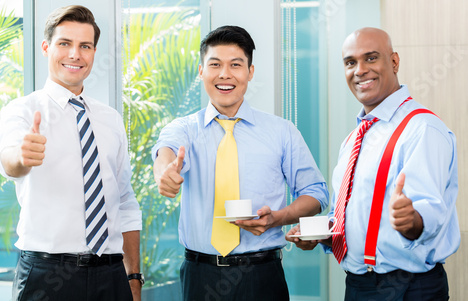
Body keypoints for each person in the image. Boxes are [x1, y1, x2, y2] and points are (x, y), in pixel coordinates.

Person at [152, 25, 329, 300]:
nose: (225, 74)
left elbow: (316, 193)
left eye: (236, 65)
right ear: (201, 71)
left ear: (250, 72)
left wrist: (276, 219)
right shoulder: (184, 128)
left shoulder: (282, 131)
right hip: (200, 276)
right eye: (215, 64)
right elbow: (166, 152)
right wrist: (165, 173)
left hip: (261, 275)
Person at [286, 27, 460, 300]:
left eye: (371, 58)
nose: (360, 70)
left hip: (408, 288)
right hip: (358, 287)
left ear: (394, 62)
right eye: (350, 62)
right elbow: (361, 213)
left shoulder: (422, 128)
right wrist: (325, 233)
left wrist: (411, 220)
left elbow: (430, 215)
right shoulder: (354, 138)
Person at [0, 5, 143, 301]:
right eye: (65, 43)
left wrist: (133, 277)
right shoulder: (23, 110)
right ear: (46, 47)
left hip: (111, 275)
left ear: (93, 53)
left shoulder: (110, 118)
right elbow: (8, 160)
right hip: (47, 277)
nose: (75, 54)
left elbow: (124, 201)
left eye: (84, 46)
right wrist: (22, 156)